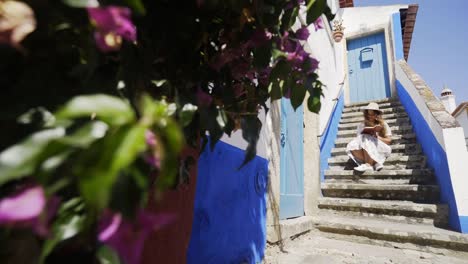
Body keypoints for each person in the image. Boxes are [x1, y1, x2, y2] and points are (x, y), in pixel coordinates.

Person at [346, 102, 392, 172]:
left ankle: (368, 164)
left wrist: (377, 137)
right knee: (352, 145)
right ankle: (375, 162)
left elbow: (389, 141)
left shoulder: (383, 124)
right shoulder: (361, 125)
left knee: (367, 137)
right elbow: (359, 142)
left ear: (377, 114)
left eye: (372, 114)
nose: (370, 116)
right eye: (368, 114)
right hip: (365, 149)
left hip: (380, 149)